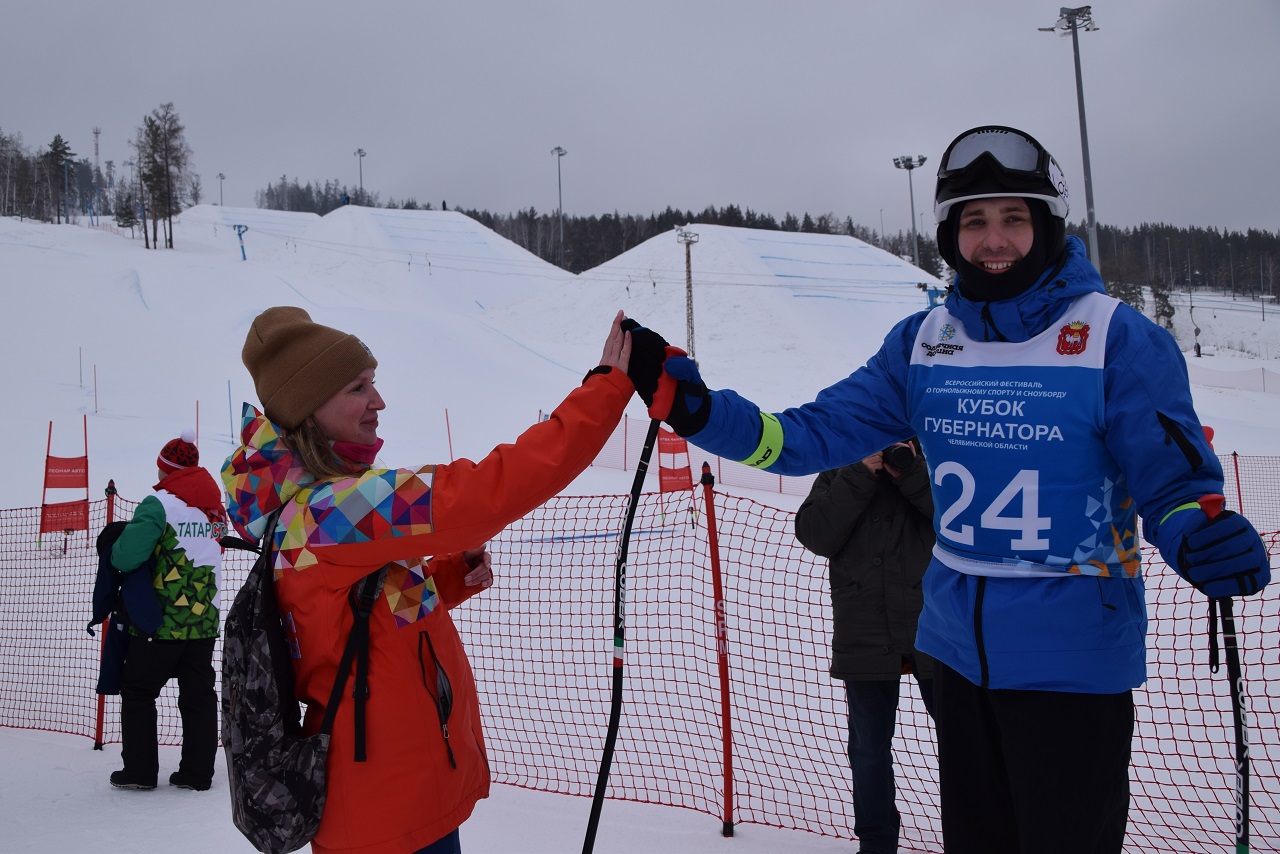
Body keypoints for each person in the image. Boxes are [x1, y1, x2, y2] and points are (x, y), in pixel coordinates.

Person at [624, 125, 1272, 853]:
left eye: (1013, 218)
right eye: (975, 221)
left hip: (1072, 667)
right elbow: (805, 435)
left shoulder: (1114, 338)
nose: (994, 240)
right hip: (955, 661)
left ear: (1049, 225)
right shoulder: (923, 342)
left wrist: (1196, 528)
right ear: (949, 236)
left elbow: (1172, 479)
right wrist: (700, 412)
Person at [222, 306, 637, 854]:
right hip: (384, 812)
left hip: (396, 797)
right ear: (311, 408)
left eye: (375, 383)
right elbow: (492, 490)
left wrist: (449, 576)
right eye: (358, 387)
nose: (379, 402)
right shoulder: (330, 512)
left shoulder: (310, 516)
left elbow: (353, 622)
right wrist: (608, 390)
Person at [794, 440, 937, 854]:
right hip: (865, 626)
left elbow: (958, 519)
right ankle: (876, 844)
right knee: (869, 750)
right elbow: (815, 534)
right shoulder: (844, 463)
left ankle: (978, 832)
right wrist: (860, 471)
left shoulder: (938, 456)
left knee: (964, 740)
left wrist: (909, 471)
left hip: (936, 625)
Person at [109, 430, 228, 791]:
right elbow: (217, 545)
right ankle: (196, 774)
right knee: (198, 694)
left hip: (158, 623)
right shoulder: (213, 506)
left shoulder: (158, 503)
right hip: (204, 619)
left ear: (165, 470)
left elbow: (127, 556)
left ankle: (140, 772)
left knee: (139, 691)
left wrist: (115, 548)